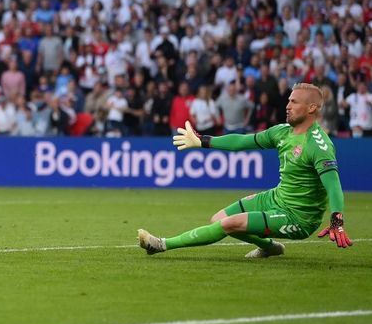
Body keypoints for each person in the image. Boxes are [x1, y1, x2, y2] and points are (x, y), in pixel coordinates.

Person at [138, 83, 352, 259]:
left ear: (312, 108)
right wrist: (202, 141)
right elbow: (241, 141)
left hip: (298, 217)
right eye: (288, 100)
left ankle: (161, 244)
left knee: (230, 224)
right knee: (218, 219)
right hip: (277, 197)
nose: (287, 105)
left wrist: (336, 219)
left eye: (294, 102)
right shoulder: (282, 132)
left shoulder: (318, 145)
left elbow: (333, 186)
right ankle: (270, 247)